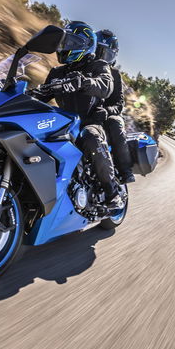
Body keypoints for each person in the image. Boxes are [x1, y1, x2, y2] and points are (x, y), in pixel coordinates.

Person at [35, 21, 123, 208]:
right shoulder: (57, 72)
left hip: (88, 122)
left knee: (91, 136)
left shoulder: (98, 65)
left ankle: (112, 191)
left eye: (71, 43)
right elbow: (42, 94)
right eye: (64, 42)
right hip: (61, 122)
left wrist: (84, 82)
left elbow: (105, 86)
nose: (64, 47)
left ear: (84, 45)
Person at [95, 29, 135, 183]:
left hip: (104, 116)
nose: (102, 58)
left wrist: (106, 111)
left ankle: (126, 171)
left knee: (115, 122)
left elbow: (118, 105)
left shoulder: (115, 75)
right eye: (99, 51)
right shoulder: (85, 68)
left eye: (107, 54)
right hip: (83, 113)